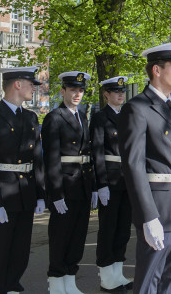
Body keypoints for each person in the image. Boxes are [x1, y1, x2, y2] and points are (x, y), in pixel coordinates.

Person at [119, 42, 171, 294]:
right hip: (160, 208)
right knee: (149, 279)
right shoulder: (137, 108)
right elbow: (133, 166)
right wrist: (147, 216)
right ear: (156, 70)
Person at [0, 66, 45, 294]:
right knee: (0, 252)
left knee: (20, 252)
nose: (34, 88)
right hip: (2, 195)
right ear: (17, 84)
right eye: (31, 84)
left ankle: (11, 286)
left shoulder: (31, 117)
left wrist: (41, 194)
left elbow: (37, 159)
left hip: (24, 194)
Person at [43, 71, 95, 294]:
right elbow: (51, 157)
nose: (77, 94)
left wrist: (92, 186)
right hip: (64, 185)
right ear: (62, 91)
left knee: (78, 235)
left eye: (81, 90)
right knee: (61, 236)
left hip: (82, 185)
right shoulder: (54, 117)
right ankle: (56, 282)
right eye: (73, 89)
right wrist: (55, 192)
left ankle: (70, 280)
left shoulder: (82, 116)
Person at [91, 75, 133, 292]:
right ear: (106, 94)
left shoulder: (127, 116)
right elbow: (97, 152)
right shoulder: (100, 118)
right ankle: (107, 276)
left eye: (122, 91)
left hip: (127, 180)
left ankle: (118, 272)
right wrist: (101, 184)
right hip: (110, 179)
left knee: (123, 229)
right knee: (108, 229)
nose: (120, 94)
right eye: (115, 91)